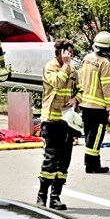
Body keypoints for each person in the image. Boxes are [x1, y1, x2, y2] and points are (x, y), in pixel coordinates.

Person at [36, 39, 81, 210]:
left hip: (67, 122)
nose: (70, 56)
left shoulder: (72, 70)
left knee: (64, 163)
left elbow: (82, 89)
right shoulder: (50, 67)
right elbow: (57, 82)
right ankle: (42, 197)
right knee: (50, 161)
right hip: (51, 121)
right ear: (59, 53)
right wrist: (66, 65)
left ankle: (55, 197)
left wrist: (76, 99)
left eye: (71, 53)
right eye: (67, 53)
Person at [79, 31, 110, 174]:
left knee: (89, 134)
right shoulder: (105, 63)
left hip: (85, 104)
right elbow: (107, 87)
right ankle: (91, 165)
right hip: (98, 106)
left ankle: (93, 163)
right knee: (96, 136)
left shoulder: (87, 58)